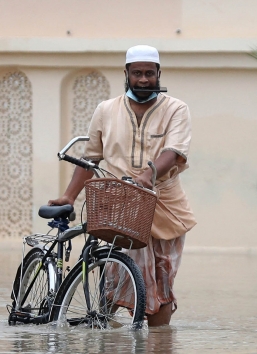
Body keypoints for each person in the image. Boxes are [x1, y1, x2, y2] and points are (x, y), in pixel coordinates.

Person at [49, 45, 197, 326]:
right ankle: (103, 330)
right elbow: (91, 158)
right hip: (122, 205)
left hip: (166, 206)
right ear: (126, 74)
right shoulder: (106, 109)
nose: (143, 80)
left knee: (162, 287)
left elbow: (174, 152)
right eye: (137, 73)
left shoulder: (177, 109)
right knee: (115, 280)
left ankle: (157, 343)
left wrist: (148, 175)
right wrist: (69, 196)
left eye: (149, 74)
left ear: (159, 74)